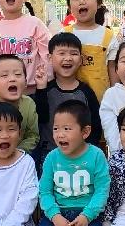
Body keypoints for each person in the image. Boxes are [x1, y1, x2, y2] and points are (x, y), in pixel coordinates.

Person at [32, 32, 102, 171]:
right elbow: (41, 118)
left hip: (80, 157)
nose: (68, 58)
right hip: (49, 154)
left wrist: (89, 153)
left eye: (73, 53)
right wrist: (41, 88)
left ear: (81, 59)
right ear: (50, 58)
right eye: (62, 53)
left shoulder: (86, 92)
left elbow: (95, 126)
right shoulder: (45, 90)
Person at [0, 0, 51, 95]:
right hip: (5, 94)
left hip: (34, 91)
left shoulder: (35, 24)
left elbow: (47, 56)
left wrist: (45, 81)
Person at [63, 0, 117, 102]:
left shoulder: (108, 36)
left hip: (101, 102)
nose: (81, 1)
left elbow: (112, 70)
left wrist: (116, 98)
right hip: (70, 102)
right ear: (69, 7)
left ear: (99, 2)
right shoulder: (63, 34)